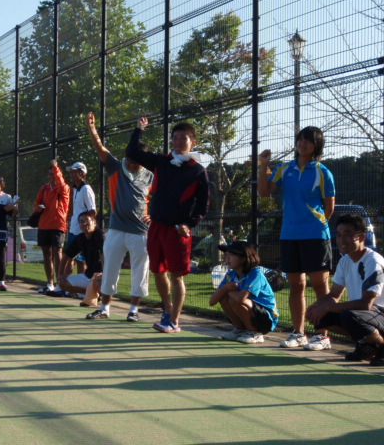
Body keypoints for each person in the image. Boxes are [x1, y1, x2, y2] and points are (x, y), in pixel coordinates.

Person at [126, 117, 209, 333]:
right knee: (157, 271)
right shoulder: (161, 161)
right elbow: (133, 152)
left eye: (184, 138)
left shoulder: (198, 171)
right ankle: (168, 310)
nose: (179, 141)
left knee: (177, 275)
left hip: (177, 231)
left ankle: (174, 321)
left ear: (193, 142)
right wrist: (139, 129)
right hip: (157, 227)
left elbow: (202, 206)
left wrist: (189, 225)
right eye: (175, 138)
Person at [258, 126, 335, 349]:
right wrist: (263, 166)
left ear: (316, 146)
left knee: (321, 286)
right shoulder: (284, 169)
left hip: (316, 236)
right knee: (296, 286)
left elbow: (329, 207)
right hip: (289, 235)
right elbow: (264, 192)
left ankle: (322, 335)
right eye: (300, 139)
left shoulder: (323, 171)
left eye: (308, 141)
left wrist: (316, 225)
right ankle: (298, 333)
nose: (302, 144)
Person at [83, 111, 153, 322]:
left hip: (141, 232)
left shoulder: (151, 174)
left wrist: (155, 215)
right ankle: (104, 308)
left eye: (137, 161)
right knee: (110, 270)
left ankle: (133, 311)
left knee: (140, 273)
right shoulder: (115, 166)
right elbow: (100, 148)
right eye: (130, 160)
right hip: (116, 229)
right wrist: (92, 128)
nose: (133, 164)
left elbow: (161, 197)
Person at [305, 214, 384, 365]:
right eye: (339, 235)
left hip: (379, 313)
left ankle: (381, 345)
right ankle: (366, 344)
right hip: (367, 314)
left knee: (350, 317)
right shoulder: (345, 260)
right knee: (320, 317)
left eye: (347, 235)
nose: (341, 240)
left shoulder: (373, 262)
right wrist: (317, 307)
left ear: (361, 238)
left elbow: (366, 304)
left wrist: (329, 306)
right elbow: (334, 294)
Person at [210, 241, 279, 344]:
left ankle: (255, 333)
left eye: (232, 255)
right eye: (226, 255)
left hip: (266, 320)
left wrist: (226, 290)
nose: (227, 258)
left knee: (233, 300)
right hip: (250, 312)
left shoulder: (256, 274)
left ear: (243, 258)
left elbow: (240, 299)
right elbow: (212, 301)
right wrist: (224, 288)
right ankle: (240, 330)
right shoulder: (231, 275)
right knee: (224, 298)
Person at [55, 161, 96, 287]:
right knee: (69, 258)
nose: (72, 174)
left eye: (75, 171)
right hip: (74, 229)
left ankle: (80, 288)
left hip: (81, 231)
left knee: (80, 260)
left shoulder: (86, 189)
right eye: (71, 172)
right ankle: (64, 286)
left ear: (82, 173)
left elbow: (92, 210)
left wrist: (86, 228)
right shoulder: (76, 188)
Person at [33, 159, 70, 294]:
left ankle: (61, 285)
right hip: (44, 225)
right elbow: (36, 205)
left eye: (54, 174)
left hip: (58, 225)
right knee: (46, 254)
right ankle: (50, 283)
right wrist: (38, 208)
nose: (51, 176)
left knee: (58, 253)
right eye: (50, 174)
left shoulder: (64, 188)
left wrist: (56, 168)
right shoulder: (44, 189)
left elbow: (60, 182)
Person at [51, 211, 103, 298]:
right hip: (88, 276)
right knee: (62, 283)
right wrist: (60, 274)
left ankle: (103, 301)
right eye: (81, 222)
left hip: (104, 275)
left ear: (94, 223)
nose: (84, 224)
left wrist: (105, 274)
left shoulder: (101, 236)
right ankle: (89, 294)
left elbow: (105, 256)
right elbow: (66, 256)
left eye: (87, 221)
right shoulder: (80, 238)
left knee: (99, 282)